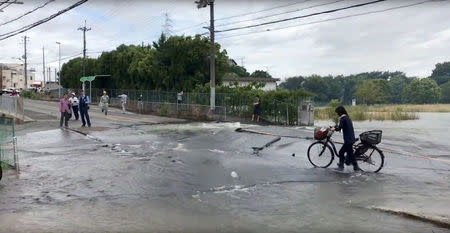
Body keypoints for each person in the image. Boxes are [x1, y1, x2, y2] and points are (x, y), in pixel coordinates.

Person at [333, 106, 360, 171]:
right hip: (351, 138)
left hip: (348, 140)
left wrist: (334, 129)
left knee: (341, 152)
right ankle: (355, 166)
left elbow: (339, 127)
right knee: (350, 153)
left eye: (337, 113)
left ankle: (341, 166)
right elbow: (341, 126)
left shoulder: (343, 118)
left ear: (340, 112)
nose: (337, 114)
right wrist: (335, 127)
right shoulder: (347, 117)